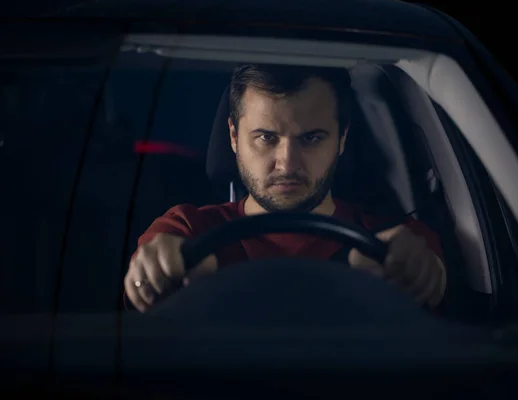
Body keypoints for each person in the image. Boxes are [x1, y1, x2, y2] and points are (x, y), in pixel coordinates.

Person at [124, 64, 446, 313]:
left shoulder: (391, 241)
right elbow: (148, 274)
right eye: (266, 137)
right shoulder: (187, 230)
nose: (287, 164)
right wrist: (154, 275)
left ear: (342, 138)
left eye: (311, 138)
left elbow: (429, 274)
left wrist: (419, 271)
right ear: (234, 137)